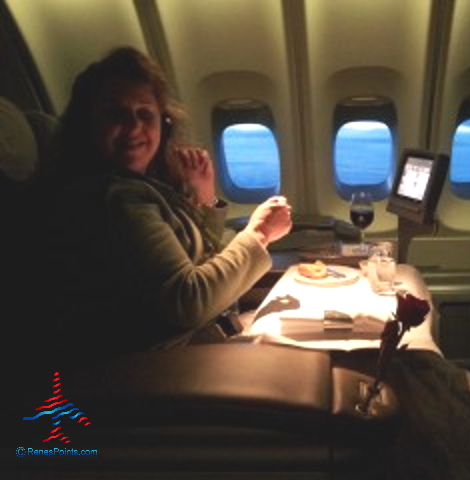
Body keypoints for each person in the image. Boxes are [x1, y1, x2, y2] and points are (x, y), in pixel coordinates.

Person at [39, 46, 291, 368]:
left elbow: (198, 260)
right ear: (88, 124)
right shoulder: (113, 198)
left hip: (187, 347)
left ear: (163, 124)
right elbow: (189, 301)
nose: (133, 127)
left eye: (145, 113)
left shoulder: (142, 186)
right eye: (115, 114)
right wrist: (259, 233)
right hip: (154, 369)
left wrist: (205, 198)